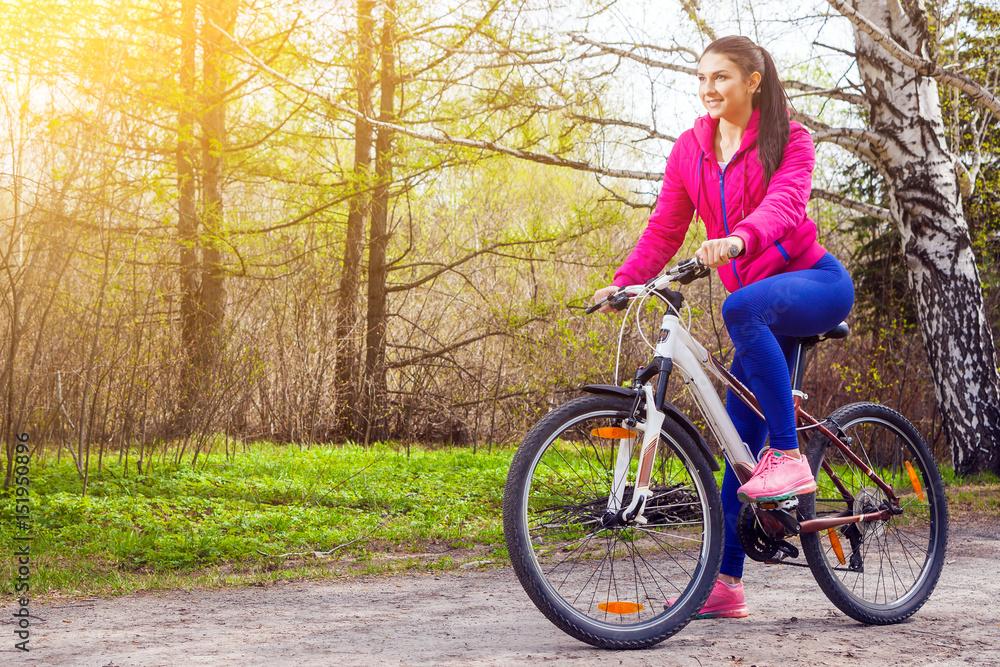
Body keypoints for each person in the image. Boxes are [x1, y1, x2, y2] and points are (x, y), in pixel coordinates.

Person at [592, 36, 854, 618]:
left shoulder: (791, 139)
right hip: (759, 308)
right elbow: (665, 226)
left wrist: (739, 238)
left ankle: (787, 454)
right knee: (736, 442)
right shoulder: (692, 149)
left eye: (722, 78)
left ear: (753, 81)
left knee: (740, 310)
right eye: (702, 78)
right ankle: (726, 584)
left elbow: (786, 205)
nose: (709, 89)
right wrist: (625, 282)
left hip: (814, 283)